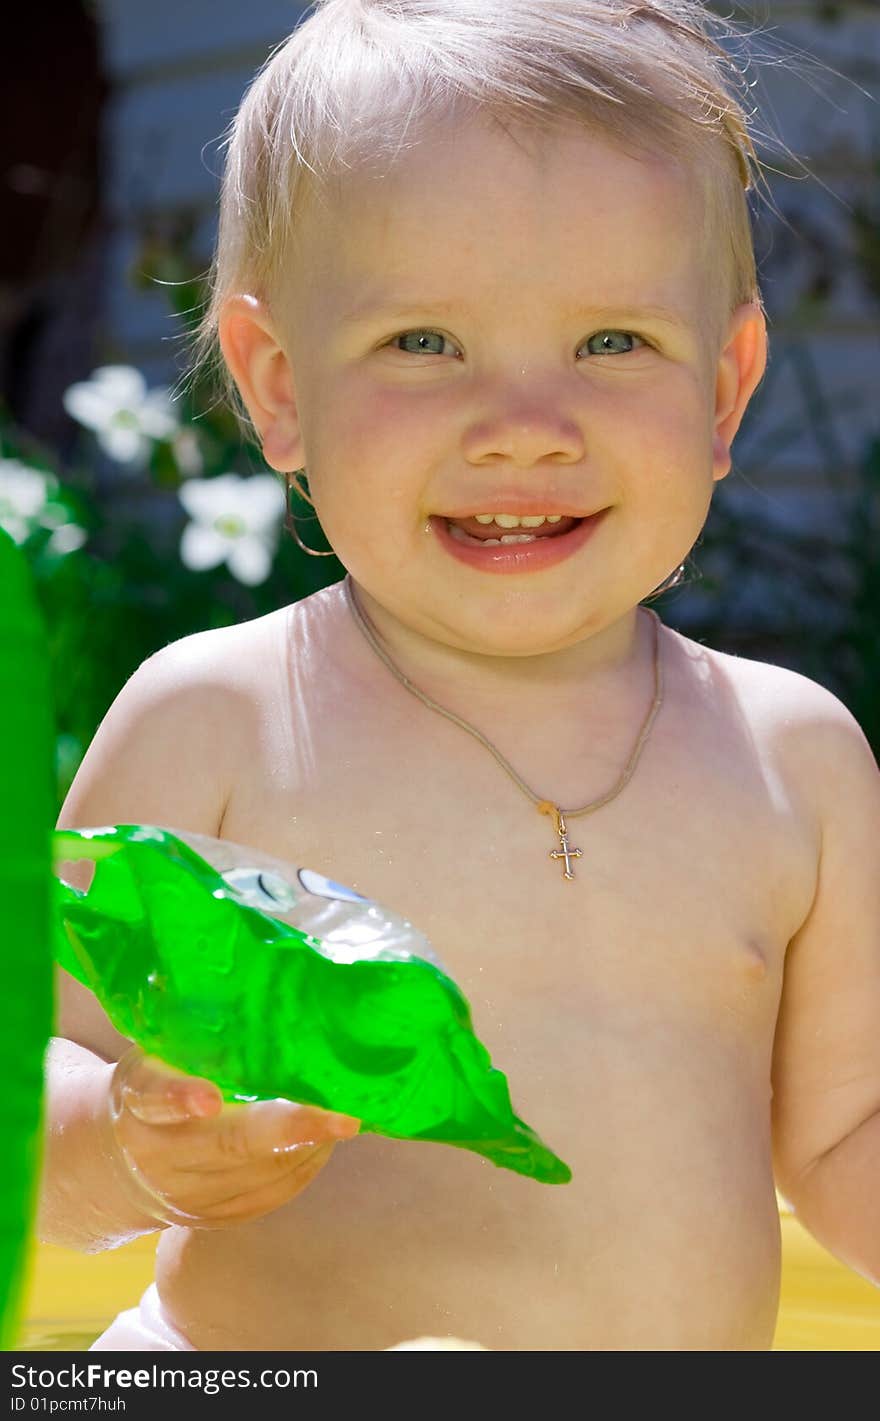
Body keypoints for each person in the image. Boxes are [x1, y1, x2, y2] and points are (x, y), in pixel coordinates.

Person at [41, 0, 880, 1351]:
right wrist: (125, 1146)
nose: (526, 429)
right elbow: (43, 1072)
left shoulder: (796, 759)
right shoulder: (224, 720)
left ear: (723, 393)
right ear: (278, 388)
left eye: (614, 343)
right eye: (424, 343)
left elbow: (846, 1134)